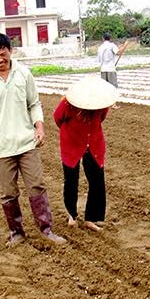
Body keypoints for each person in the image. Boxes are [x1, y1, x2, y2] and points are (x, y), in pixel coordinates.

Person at [0, 32, 66, 246]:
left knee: (37, 186)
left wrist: (39, 127)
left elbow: (34, 103)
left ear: (10, 51)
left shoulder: (23, 73)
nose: (0, 59)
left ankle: (46, 229)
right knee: (8, 192)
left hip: (27, 143)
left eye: (3, 54)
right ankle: (16, 232)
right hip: (0, 147)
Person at [53, 76, 116, 232]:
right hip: (71, 144)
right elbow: (58, 118)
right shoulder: (67, 104)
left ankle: (91, 218)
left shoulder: (101, 105)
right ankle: (71, 215)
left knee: (97, 181)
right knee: (71, 181)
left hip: (94, 144)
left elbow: (101, 118)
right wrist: (71, 133)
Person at [97, 33, 127, 109]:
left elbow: (99, 60)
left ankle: (105, 104)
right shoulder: (111, 45)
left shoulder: (100, 48)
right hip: (110, 69)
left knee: (105, 87)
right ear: (110, 38)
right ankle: (113, 104)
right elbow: (119, 52)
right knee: (113, 87)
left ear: (103, 38)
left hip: (103, 69)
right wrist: (125, 46)